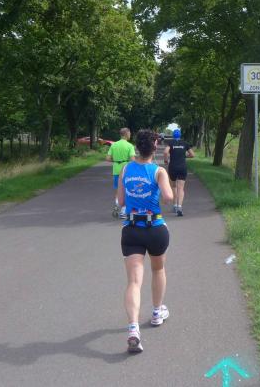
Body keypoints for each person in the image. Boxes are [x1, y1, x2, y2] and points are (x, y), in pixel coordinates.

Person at [116, 129, 174, 353]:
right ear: (155, 146)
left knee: (133, 281)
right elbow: (168, 198)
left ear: (137, 147)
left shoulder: (125, 169)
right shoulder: (158, 171)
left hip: (131, 230)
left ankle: (133, 329)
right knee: (158, 269)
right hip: (155, 229)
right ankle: (157, 312)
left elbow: (121, 201)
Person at [164, 128, 194, 217]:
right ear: (180, 135)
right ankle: (180, 207)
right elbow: (192, 154)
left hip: (173, 167)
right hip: (182, 167)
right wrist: (184, 156)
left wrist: (166, 160)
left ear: (173, 135)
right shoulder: (185, 143)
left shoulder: (171, 143)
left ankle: (175, 206)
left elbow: (165, 152)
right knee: (181, 188)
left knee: (173, 187)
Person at [106, 127, 136, 218]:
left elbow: (108, 158)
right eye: (129, 133)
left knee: (118, 189)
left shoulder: (114, 145)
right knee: (127, 190)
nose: (130, 135)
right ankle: (123, 211)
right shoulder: (130, 146)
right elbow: (132, 159)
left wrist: (116, 160)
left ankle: (116, 204)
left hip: (116, 169)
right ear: (126, 134)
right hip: (126, 170)